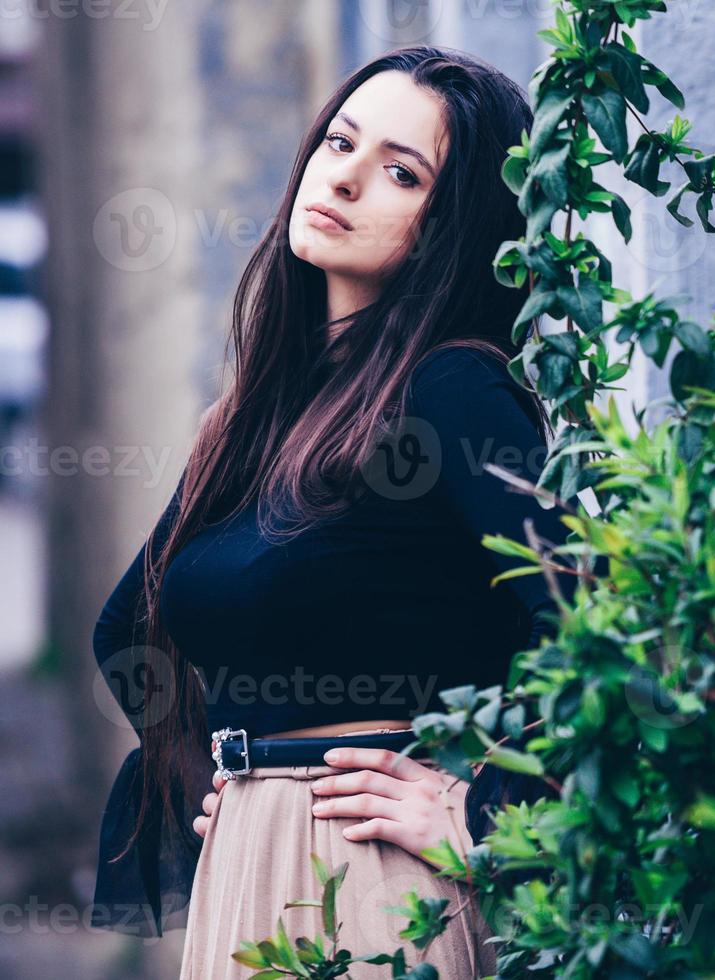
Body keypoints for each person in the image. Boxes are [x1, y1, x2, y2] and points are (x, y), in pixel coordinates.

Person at [89, 46, 598, 978]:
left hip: (374, 866)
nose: (346, 178)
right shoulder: (255, 412)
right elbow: (129, 628)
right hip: (245, 862)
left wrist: (480, 806)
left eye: (401, 172)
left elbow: (585, 615)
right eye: (340, 141)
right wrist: (221, 780)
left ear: (453, 224)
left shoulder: (452, 388)